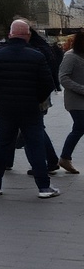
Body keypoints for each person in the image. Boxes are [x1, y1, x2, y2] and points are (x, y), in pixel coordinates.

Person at [0, 19, 60, 197]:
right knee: (36, 145)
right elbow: (48, 83)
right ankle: (43, 187)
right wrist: (36, 99)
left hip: (5, 108)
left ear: (10, 34)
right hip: (30, 109)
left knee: (2, 143)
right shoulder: (36, 56)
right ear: (27, 35)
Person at [57, 30, 84, 174]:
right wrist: (81, 89)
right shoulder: (70, 56)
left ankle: (65, 158)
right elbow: (63, 78)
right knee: (80, 127)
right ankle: (65, 158)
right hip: (75, 101)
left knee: (80, 128)